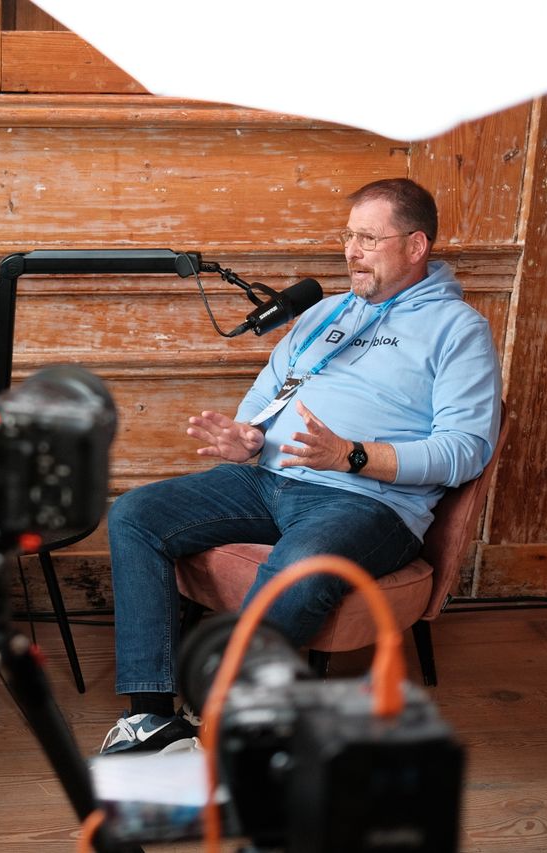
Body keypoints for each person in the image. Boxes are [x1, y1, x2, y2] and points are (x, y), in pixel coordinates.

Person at [101, 178, 502, 755]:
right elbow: (266, 397)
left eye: (368, 238)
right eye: (348, 236)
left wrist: (354, 456)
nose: (351, 251)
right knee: (138, 513)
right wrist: (247, 437)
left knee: (301, 563)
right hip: (267, 478)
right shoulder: (325, 314)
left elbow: (467, 449)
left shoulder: (458, 330)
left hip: (367, 501)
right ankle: (151, 715)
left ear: (416, 246)